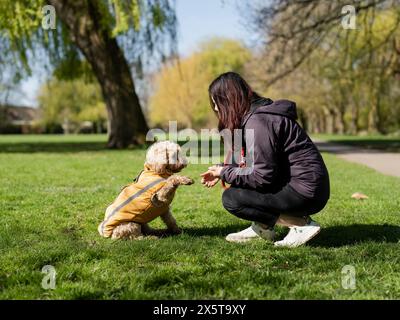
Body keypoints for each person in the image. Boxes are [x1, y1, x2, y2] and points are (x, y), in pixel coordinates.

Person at [200, 72, 330, 247]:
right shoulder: (257, 116)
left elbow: (261, 175)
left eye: (217, 102)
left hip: (305, 191)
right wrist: (221, 169)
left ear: (229, 100)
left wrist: (225, 172)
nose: (216, 108)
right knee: (238, 185)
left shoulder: (259, 121)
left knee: (232, 198)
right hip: (303, 185)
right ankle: (262, 227)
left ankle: (300, 225)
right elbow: (256, 165)